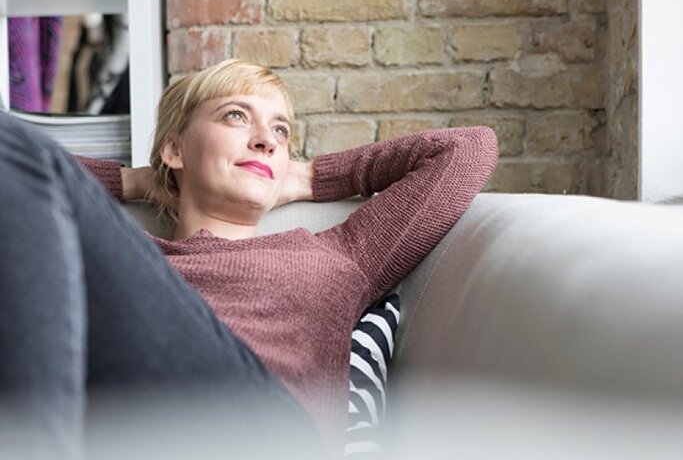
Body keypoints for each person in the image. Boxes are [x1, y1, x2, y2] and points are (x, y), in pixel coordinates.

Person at [0, 59, 498, 458]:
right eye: (236, 116)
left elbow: (468, 149)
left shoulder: (338, 254)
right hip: (140, 428)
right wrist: (137, 180)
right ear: (175, 148)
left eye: (280, 131)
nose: (266, 138)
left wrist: (302, 177)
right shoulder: (135, 259)